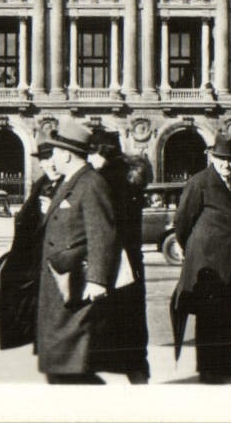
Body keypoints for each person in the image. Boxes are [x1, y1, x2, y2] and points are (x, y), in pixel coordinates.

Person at [34, 120, 120, 384]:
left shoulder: (91, 183)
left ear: (67, 155)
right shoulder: (71, 181)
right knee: (60, 365)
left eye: (56, 152)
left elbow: (103, 234)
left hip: (74, 286)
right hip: (59, 285)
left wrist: (97, 279)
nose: (52, 158)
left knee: (70, 366)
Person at [171, 133, 231, 384]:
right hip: (208, 260)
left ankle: (225, 363)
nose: (227, 164)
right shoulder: (200, 182)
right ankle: (207, 368)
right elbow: (182, 221)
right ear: (212, 158)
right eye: (221, 159)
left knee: (227, 312)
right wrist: (193, 249)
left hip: (230, 259)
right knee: (208, 315)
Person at [85, 129, 151, 384]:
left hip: (112, 264)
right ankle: (139, 379)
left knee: (100, 334)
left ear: (98, 153)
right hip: (131, 263)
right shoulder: (129, 178)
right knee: (132, 334)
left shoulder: (101, 181)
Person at [0, 140, 64, 351]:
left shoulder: (68, 184)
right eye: (44, 159)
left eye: (52, 158)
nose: (49, 164)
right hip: (33, 253)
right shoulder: (41, 183)